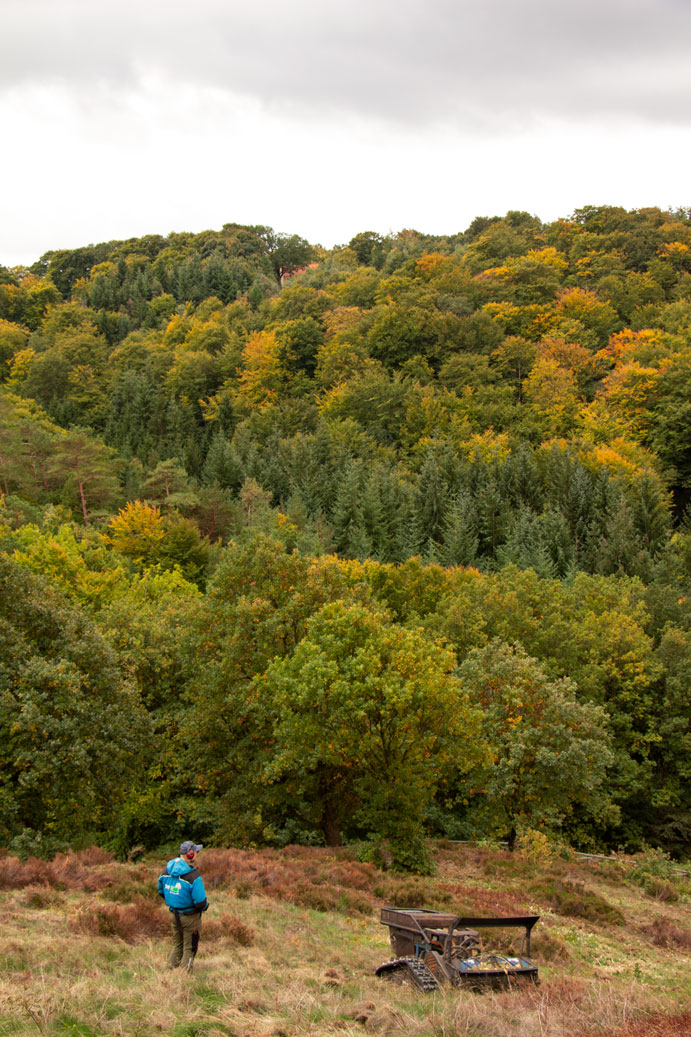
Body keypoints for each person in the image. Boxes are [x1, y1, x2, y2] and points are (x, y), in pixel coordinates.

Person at [158, 840, 209, 971]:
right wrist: (205, 906)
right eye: (196, 852)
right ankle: (183, 978)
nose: (197, 854)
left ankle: (168, 975)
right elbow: (201, 902)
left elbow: (160, 891)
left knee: (177, 945)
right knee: (190, 948)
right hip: (190, 917)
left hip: (174, 914)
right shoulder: (193, 876)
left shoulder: (165, 871)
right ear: (190, 854)